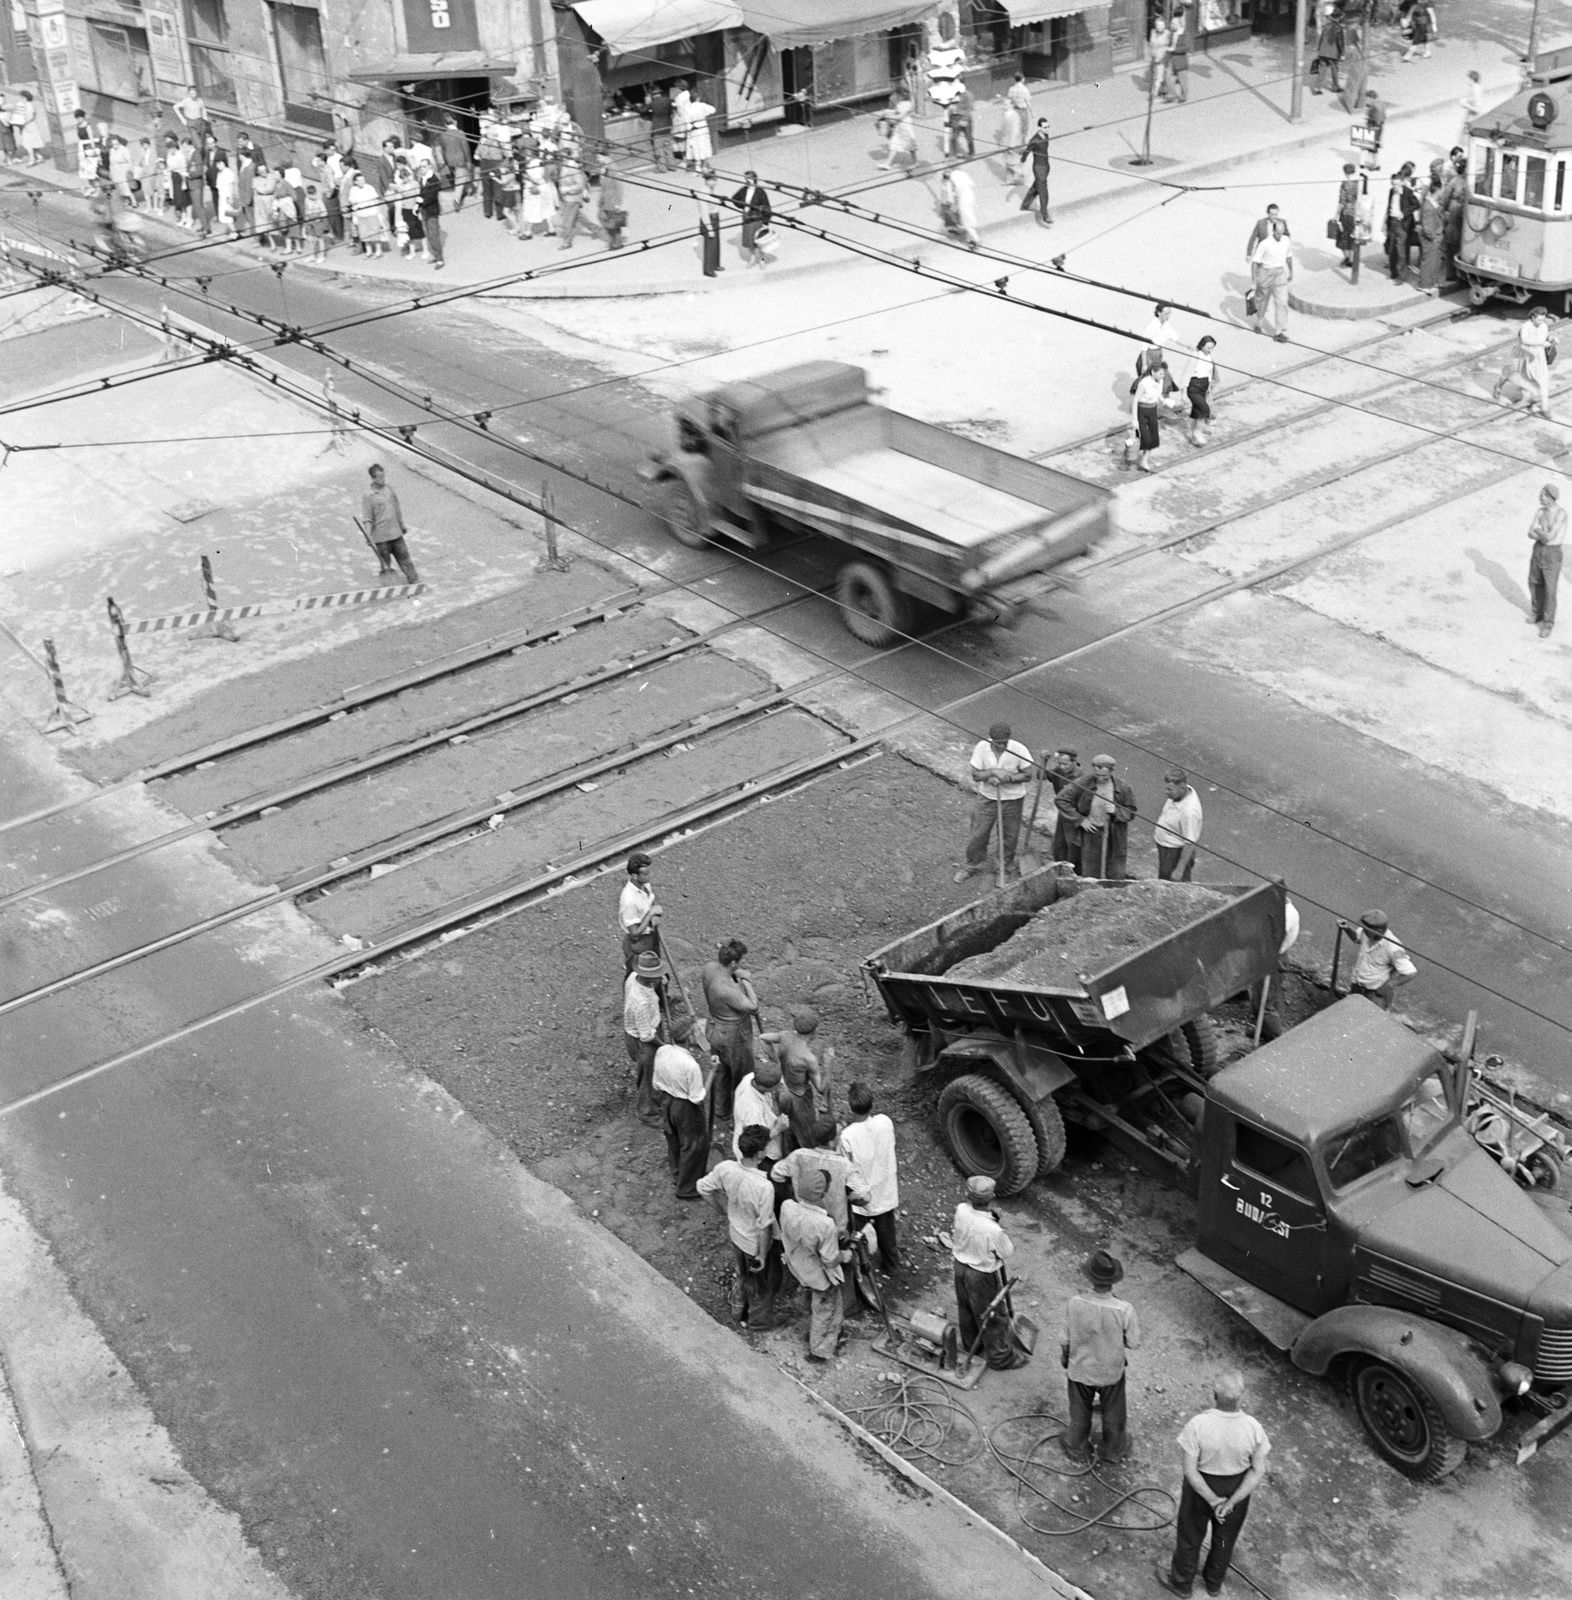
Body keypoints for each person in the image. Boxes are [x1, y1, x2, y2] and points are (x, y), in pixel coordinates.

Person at [1156, 1373, 1271, 1598]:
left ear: (1215, 1395)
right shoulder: (1254, 1428)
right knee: (1225, 1538)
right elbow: (1258, 1470)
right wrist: (1231, 1501)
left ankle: (1181, 1583)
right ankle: (1213, 1584)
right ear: (1242, 1397)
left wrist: (1212, 1499)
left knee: (1190, 1536)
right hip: (1237, 1487)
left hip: (1201, 1488)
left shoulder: (1198, 1425)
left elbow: (1190, 1470)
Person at [1060, 1249, 1140, 1465]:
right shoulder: (1125, 1310)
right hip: (1110, 1371)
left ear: (1090, 1278)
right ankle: (1114, 1449)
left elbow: (1065, 1339)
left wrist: (1066, 1357)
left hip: (1080, 1369)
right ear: (1113, 1281)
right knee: (1114, 1412)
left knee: (1079, 1411)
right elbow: (1133, 1343)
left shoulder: (1074, 1303)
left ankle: (1076, 1447)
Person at [698, 1124, 781, 1329]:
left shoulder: (726, 1168)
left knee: (742, 1272)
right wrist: (762, 1255)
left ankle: (737, 1307)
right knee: (761, 1281)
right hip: (754, 1241)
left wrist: (723, 1209)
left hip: (735, 1233)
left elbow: (703, 1188)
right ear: (760, 1154)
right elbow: (763, 1226)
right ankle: (758, 1320)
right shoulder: (764, 1187)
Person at [951, 1175, 1028, 1371]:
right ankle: (999, 1358)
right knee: (994, 1317)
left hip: (959, 1267)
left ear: (968, 1195)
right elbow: (1006, 1252)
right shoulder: (992, 1229)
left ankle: (972, 1345)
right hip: (981, 1275)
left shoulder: (961, 1210)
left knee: (966, 1308)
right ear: (992, 1196)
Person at [781, 1168, 849, 1362]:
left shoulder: (787, 1206)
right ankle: (819, 1350)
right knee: (826, 1310)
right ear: (823, 1193)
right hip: (820, 1277)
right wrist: (845, 1255)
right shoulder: (825, 1224)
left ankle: (827, 1335)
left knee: (821, 1305)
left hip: (798, 1264)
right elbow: (829, 1259)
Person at [956, 722, 1035, 882]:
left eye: (1003, 742)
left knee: (1009, 836)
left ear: (1008, 738)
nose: (1000, 745)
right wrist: (992, 772)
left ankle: (1003, 868)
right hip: (987, 798)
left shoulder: (1019, 749)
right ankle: (972, 865)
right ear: (991, 739)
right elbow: (976, 775)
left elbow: (1027, 775)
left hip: (1013, 799)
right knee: (978, 833)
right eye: (997, 742)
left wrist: (1008, 778)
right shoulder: (982, 747)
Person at [839, 1082, 900, 1272]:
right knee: (887, 1232)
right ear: (872, 1103)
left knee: (861, 1234)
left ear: (851, 1108)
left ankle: (863, 1269)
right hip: (885, 1188)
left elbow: (845, 1168)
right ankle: (892, 1266)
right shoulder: (885, 1122)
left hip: (862, 1196)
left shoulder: (847, 1136)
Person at [653, 1018, 714, 1200]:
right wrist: (713, 1072)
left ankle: (677, 1173)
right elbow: (697, 1098)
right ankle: (687, 1189)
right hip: (686, 1107)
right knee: (694, 1145)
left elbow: (656, 1083)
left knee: (673, 1138)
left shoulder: (662, 1051)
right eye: (696, 1032)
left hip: (667, 1101)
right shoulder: (690, 1066)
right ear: (689, 1037)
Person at [759, 1008, 833, 1152]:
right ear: (814, 1031)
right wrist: (828, 1065)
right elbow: (822, 1088)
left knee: (786, 1125)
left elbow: (763, 1038)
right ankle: (807, 1155)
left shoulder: (785, 1036)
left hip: (782, 1090)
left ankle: (789, 1150)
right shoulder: (808, 1058)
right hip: (799, 1097)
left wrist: (775, 1060)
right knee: (807, 1133)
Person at [701, 938, 758, 1122]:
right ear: (733, 963)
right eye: (739, 962)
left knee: (721, 1070)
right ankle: (743, 1114)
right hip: (734, 1034)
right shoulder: (725, 988)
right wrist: (745, 979)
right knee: (744, 1075)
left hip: (715, 1027)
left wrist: (735, 974)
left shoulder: (709, 968)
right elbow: (753, 1006)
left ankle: (722, 1109)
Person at [1057, 754, 1137, 879]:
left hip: (1114, 835)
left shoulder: (1123, 787)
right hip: (1091, 832)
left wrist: (1116, 811)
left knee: (1115, 868)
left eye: (1104, 776)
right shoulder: (1083, 783)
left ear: (1111, 771)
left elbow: (1131, 812)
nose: (1100, 779)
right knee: (1090, 869)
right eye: (1097, 775)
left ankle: (1110, 894)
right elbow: (1061, 799)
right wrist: (1080, 820)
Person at [1338, 909, 1416, 1007]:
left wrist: (1390, 985)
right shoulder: (1367, 933)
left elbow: (1410, 972)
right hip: (1357, 986)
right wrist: (1347, 928)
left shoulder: (1394, 948)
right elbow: (1357, 938)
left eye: (1365, 928)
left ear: (1378, 931)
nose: (1362, 930)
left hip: (1374, 994)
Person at [624, 949, 665, 1125]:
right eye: (656, 975)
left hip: (649, 1025)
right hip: (643, 1041)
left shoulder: (634, 977)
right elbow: (647, 1036)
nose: (659, 977)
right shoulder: (640, 1002)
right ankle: (647, 1112)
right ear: (648, 977)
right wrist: (664, 1045)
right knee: (648, 1074)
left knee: (652, 1069)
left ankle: (655, 1094)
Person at [360, 464, 420, 584]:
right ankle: (390, 586)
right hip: (381, 538)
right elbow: (368, 518)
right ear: (373, 478)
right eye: (380, 477)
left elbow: (396, 508)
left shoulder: (389, 490)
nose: (383, 479)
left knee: (405, 560)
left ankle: (414, 581)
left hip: (396, 533)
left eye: (383, 476)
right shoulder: (368, 496)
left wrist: (401, 524)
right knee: (385, 563)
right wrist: (368, 534)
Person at [1494, 305, 1555, 418]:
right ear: (1532, 317)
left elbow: (1545, 336)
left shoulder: (1543, 326)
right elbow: (1525, 340)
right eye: (1538, 319)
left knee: (1542, 381)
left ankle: (1544, 407)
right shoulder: (1525, 327)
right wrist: (1541, 343)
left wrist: (1551, 338)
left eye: (1542, 319)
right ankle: (1498, 386)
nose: (1540, 322)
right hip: (1524, 355)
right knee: (1511, 372)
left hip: (1538, 358)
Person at [732, 1057, 790, 1163]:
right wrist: (778, 1129)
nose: (781, 1085)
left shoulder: (750, 1078)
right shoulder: (753, 1111)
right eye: (777, 1085)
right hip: (755, 1154)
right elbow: (756, 1141)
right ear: (766, 1088)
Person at [1527, 481, 1565, 638]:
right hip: (1538, 550)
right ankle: (1537, 613)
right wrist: (1543, 534)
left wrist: (1539, 532)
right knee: (1534, 582)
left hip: (1552, 553)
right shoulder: (1540, 512)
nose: (1539, 498)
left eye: (1542, 496)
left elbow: (1550, 538)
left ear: (1550, 498)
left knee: (1550, 589)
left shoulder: (1560, 513)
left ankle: (1548, 623)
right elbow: (1530, 533)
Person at [1154, 768, 1203, 880]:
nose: (1166, 792)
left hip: (1175, 853)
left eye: (1170, 790)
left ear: (1182, 787)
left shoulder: (1190, 812)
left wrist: (1179, 870)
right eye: (1167, 789)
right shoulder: (1179, 794)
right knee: (1164, 878)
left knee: (1175, 883)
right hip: (1166, 849)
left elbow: (1190, 843)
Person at [1249, 219, 1292, 343]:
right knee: (1262, 300)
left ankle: (1278, 332)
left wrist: (1291, 271)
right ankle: (1259, 322)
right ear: (1273, 231)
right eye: (1278, 233)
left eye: (1282, 233)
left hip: (1280, 273)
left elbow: (1289, 256)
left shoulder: (1286, 240)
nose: (1280, 236)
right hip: (1265, 272)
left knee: (1282, 302)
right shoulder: (1265, 244)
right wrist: (1254, 281)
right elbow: (1255, 262)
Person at [618, 853, 660, 974]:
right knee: (641, 976)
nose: (650, 876)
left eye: (649, 872)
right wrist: (651, 914)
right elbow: (634, 934)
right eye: (645, 874)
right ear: (634, 876)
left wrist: (653, 916)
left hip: (650, 937)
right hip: (637, 945)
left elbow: (649, 902)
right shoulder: (629, 900)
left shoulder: (644, 884)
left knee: (657, 972)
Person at [1043, 748, 1082, 865]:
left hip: (1076, 812)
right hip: (1063, 810)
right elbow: (1041, 776)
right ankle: (1059, 864)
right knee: (1060, 841)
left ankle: (1073, 868)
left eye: (1065, 764)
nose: (1062, 766)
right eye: (1059, 763)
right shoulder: (1059, 771)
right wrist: (1044, 762)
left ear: (1074, 762)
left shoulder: (1081, 777)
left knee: (1073, 842)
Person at [1127, 361, 1166, 473]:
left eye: (1163, 374)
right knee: (1143, 437)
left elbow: (1157, 394)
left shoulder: (1160, 381)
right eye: (1160, 374)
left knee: (1152, 437)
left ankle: (1144, 461)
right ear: (1153, 372)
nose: (1162, 376)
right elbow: (1135, 400)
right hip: (1142, 410)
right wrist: (1135, 419)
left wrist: (1164, 401)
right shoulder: (1144, 383)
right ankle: (1128, 448)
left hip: (1152, 410)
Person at [731, 170, 772, 265]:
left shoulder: (760, 192)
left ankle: (761, 260)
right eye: (746, 179)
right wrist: (742, 205)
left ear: (754, 180)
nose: (746, 181)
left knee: (760, 242)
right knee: (750, 241)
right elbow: (734, 198)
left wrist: (766, 222)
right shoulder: (744, 190)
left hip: (757, 220)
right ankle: (752, 258)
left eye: (748, 179)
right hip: (747, 219)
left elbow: (767, 207)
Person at [1417, 165, 1447, 293]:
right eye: (1442, 191)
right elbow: (1428, 227)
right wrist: (1434, 238)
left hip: (1435, 237)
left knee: (1433, 261)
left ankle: (1430, 283)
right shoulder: (1429, 207)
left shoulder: (1433, 204)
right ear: (1438, 191)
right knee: (1428, 262)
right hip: (1431, 238)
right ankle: (1424, 285)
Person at [1383, 163, 1415, 280]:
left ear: (1401, 182)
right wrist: (1385, 223)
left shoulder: (1407, 192)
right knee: (1392, 250)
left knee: (1401, 251)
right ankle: (1393, 273)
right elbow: (1388, 206)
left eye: (1396, 184)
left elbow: (1416, 204)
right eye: (1393, 184)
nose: (1394, 187)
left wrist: (1404, 213)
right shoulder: (1392, 191)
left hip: (1402, 224)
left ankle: (1402, 276)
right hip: (1392, 223)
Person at [1185, 336, 1218, 447]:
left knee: (1197, 411)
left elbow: (1209, 371)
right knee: (1204, 409)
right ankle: (1197, 432)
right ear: (1202, 345)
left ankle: (1194, 438)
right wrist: (1183, 390)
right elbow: (1187, 372)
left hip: (1204, 385)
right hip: (1194, 385)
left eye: (1211, 348)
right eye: (1208, 348)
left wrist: (1209, 386)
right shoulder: (1196, 355)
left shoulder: (1210, 356)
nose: (1210, 350)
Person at [1001, 72, 1032, 183]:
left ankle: (1014, 177)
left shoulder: (1011, 90)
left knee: (1009, 160)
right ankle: (1021, 148)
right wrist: (1031, 113)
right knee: (1023, 130)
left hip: (1010, 141)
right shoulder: (1025, 89)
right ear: (1022, 79)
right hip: (1022, 111)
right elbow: (1028, 101)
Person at [1020, 118, 1051, 224]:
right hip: (1039, 168)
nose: (1047, 129)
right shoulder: (1035, 140)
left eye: (1048, 127)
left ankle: (1025, 204)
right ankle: (1045, 214)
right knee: (1043, 191)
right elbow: (1027, 151)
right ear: (1039, 128)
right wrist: (1022, 161)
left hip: (1046, 166)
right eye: (1045, 127)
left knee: (1037, 186)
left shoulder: (1045, 135)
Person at [437, 115, 472, 211]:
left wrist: (446, 161)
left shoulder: (443, 135)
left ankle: (465, 191)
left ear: (445, 124)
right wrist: (468, 160)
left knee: (459, 177)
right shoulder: (460, 133)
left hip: (450, 160)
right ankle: (456, 199)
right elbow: (465, 148)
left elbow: (443, 150)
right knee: (460, 180)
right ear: (455, 122)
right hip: (460, 160)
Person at [1309, 7, 1345, 94]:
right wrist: (1343, 54)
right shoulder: (1339, 28)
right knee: (1334, 70)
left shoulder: (1326, 26)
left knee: (1322, 70)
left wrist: (1319, 50)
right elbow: (1340, 42)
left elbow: (1321, 39)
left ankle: (1317, 88)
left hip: (1323, 51)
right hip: (1333, 53)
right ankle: (1335, 87)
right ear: (1339, 18)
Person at [942, 167, 979, 247]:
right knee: (967, 215)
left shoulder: (950, 181)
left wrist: (952, 204)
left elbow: (950, 195)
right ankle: (965, 234)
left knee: (966, 218)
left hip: (963, 198)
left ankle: (975, 239)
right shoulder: (961, 174)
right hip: (970, 194)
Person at [418, 162, 444, 268]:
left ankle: (440, 260)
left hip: (432, 211)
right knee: (428, 234)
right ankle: (436, 255)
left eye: (424, 166)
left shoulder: (433, 180)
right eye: (420, 167)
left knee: (434, 235)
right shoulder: (423, 179)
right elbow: (421, 193)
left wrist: (421, 201)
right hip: (425, 210)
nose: (421, 168)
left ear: (429, 167)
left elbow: (432, 196)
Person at [597, 166, 628, 251]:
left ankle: (617, 243)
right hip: (605, 201)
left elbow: (619, 188)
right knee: (603, 218)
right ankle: (614, 240)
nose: (598, 159)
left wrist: (618, 203)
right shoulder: (603, 169)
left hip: (612, 201)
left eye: (599, 157)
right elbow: (603, 187)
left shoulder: (613, 169)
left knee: (614, 222)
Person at [1335, 162, 1360, 267]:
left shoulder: (1344, 185)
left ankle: (1347, 258)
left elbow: (1341, 202)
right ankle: (1351, 258)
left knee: (1342, 237)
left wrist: (1336, 215)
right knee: (1351, 236)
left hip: (1345, 213)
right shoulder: (1357, 183)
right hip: (1354, 212)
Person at [697, 178, 722, 277]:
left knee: (716, 243)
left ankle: (716, 264)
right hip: (709, 220)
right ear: (706, 181)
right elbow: (704, 213)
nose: (714, 182)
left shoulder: (713, 190)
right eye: (711, 180)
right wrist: (709, 228)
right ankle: (708, 270)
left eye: (715, 180)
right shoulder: (703, 194)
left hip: (716, 218)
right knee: (710, 244)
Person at [647, 85, 676, 171]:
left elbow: (642, 110)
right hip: (667, 127)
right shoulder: (668, 100)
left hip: (658, 129)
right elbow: (674, 107)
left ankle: (662, 168)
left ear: (653, 95)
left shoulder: (652, 103)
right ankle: (672, 166)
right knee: (668, 148)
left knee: (659, 150)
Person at [15, 91, 45, 166]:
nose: (21, 99)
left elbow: (31, 116)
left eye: (21, 98)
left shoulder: (28, 105)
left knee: (27, 143)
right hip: (31, 126)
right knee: (33, 142)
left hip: (28, 126)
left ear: (25, 98)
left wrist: (24, 122)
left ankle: (32, 159)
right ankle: (39, 157)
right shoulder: (29, 104)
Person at [945, 83, 975, 158]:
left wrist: (957, 112)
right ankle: (955, 153)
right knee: (954, 137)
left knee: (969, 137)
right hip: (956, 119)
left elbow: (969, 110)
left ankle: (971, 152)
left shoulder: (969, 96)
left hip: (965, 119)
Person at [1165, 14, 1190, 103]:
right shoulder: (1172, 34)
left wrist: (1173, 49)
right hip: (1172, 60)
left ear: (1179, 25)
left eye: (1174, 24)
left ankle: (1183, 96)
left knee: (1182, 79)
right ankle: (1171, 95)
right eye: (1171, 24)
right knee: (1168, 77)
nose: (1172, 26)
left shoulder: (1184, 34)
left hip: (1180, 60)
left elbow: (1186, 47)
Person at [1459, 68, 1484, 146]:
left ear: (1472, 79)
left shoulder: (1476, 89)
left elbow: (1478, 107)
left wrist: (1465, 104)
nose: (1466, 80)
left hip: (1473, 114)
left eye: (1468, 78)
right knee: (1468, 134)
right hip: (1471, 113)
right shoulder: (1474, 87)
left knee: (1469, 134)